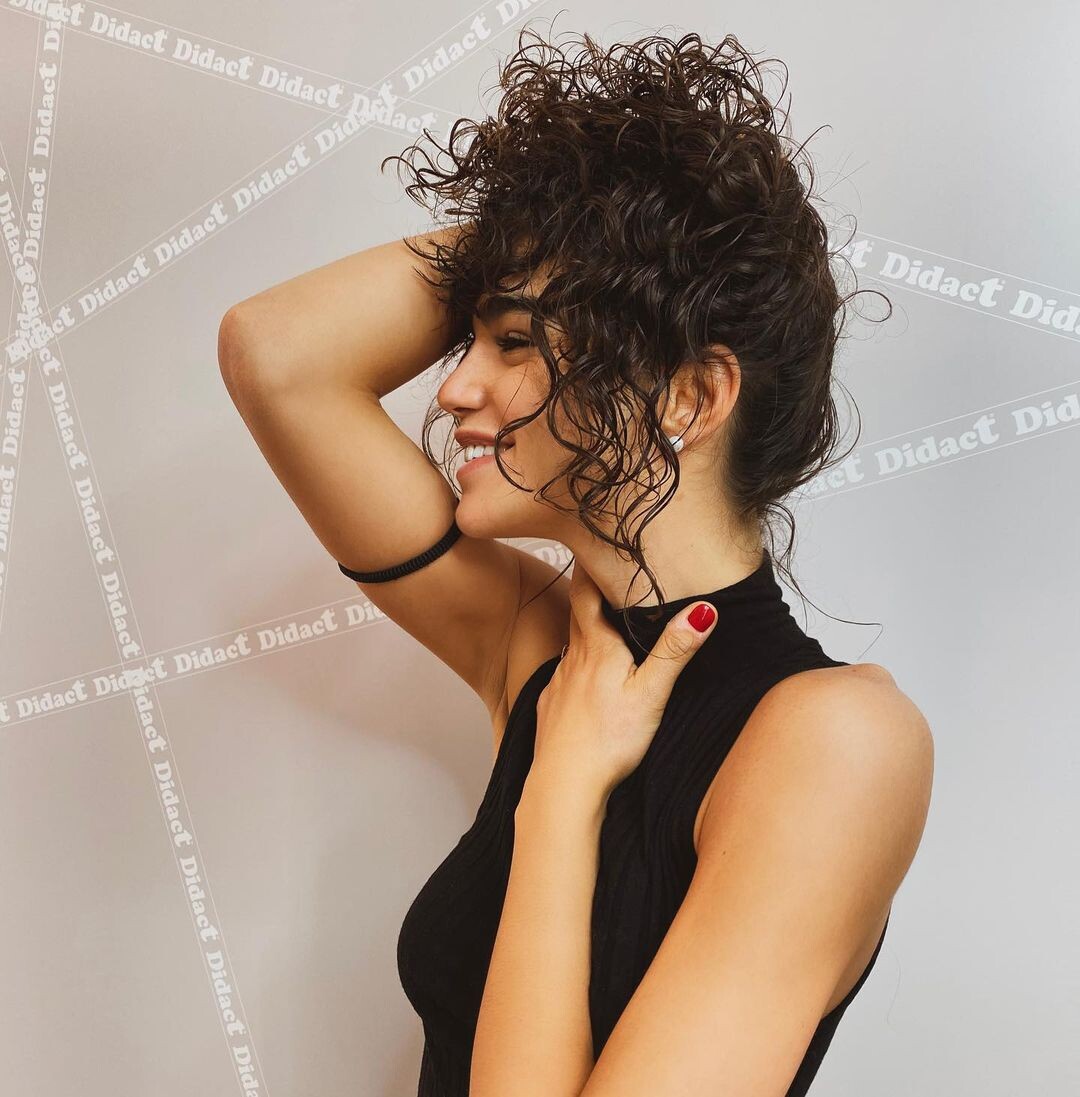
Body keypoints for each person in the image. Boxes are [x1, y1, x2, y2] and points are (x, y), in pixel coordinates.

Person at [217, 26, 933, 1097]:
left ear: (690, 395)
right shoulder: (542, 650)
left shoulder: (837, 743)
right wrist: (581, 222)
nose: (453, 387)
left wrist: (561, 789)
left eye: (512, 341)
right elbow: (276, 352)